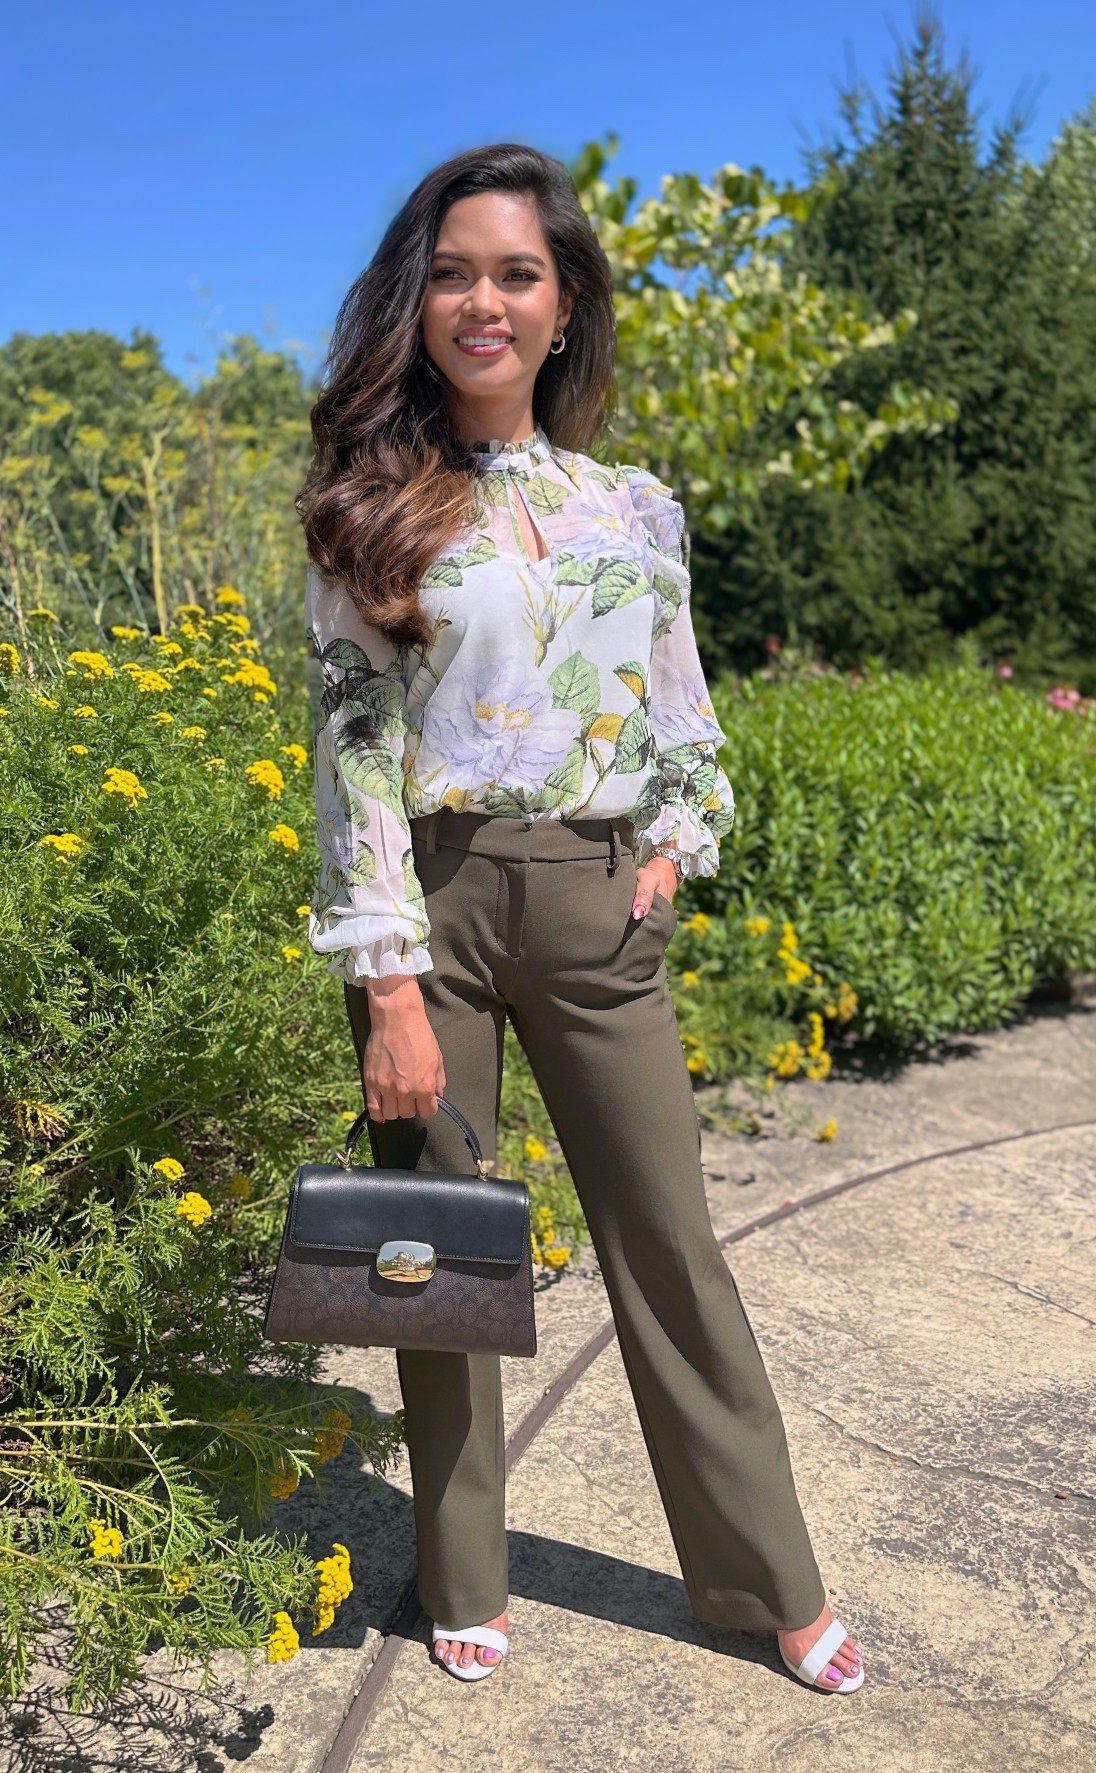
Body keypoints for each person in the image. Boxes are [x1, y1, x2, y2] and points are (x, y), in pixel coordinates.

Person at [296, 141, 865, 1695]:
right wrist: (392, 986)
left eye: (518, 273)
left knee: (673, 1247)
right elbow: (350, 756)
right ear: (420, 304)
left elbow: (682, 711)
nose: (484, 299)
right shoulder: (370, 510)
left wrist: (667, 852)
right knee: (439, 1250)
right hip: (435, 903)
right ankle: (464, 1566)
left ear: (564, 309)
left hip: (599, 900)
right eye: (456, 272)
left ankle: (768, 1580)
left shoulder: (634, 507)